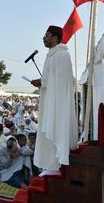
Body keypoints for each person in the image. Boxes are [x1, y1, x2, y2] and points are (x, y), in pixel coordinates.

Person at [30, 25, 78, 176]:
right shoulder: (51, 54)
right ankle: (50, 165)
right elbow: (51, 79)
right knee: (47, 130)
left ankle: (56, 164)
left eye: (47, 35)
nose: (44, 38)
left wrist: (43, 82)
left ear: (55, 38)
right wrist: (42, 82)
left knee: (56, 129)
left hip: (58, 103)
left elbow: (62, 82)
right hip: (49, 100)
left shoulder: (62, 55)